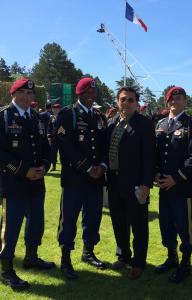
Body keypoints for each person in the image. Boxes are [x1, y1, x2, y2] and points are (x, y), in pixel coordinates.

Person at [0, 78, 55, 291]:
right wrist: (25, 170)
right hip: (13, 184)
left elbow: (45, 147)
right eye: (23, 92)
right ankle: (6, 270)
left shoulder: (36, 118)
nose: (27, 97)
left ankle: (31, 257)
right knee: (10, 228)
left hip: (36, 184)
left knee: (36, 224)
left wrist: (44, 166)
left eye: (30, 94)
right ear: (13, 93)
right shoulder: (4, 116)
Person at [55, 77, 107, 280]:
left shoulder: (98, 116)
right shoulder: (69, 114)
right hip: (74, 179)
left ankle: (88, 252)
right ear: (79, 94)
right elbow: (64, 145)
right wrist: (86, 167)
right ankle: (65, 258)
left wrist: (102, 166)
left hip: (95, 180)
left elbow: (104, 146)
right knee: (68, 219)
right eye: (87, 93)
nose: (91, 96)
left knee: (93, 217)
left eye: (93, 93)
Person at [154, 86, 192, 283]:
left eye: (180, 98)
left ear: (185, 101)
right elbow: (156, 153)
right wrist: (156, 173)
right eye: (172, 99)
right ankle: (171, 257)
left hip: (181, 187)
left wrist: (176, 178)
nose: (176, 102)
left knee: (184, 225)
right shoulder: (161, 124)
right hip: (164, 186)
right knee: (166, 224)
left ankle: (186, 262)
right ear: (168, 102)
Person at [107, 86, 155, 280]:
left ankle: (138, 261)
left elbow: (150, 157)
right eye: (123, 99)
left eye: (131, 100)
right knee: (118, 221)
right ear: (117, 101)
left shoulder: (144, 124)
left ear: (137, 103)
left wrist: (146, 184)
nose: (126, 103)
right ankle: (123, 255)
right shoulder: (112, 123)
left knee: (138, 224)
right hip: (114, 181)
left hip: (136, 183)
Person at [48, 103, 61, 171]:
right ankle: (54, 166)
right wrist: (49, 136)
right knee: (53, 153)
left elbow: (64, 127)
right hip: (53, 138)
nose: (54, 110)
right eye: (53, 109)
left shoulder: (62, 117)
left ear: (59, 109)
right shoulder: (51, 117)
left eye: (56, 109)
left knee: (63, 153)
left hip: (61, 138)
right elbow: (49, 127)